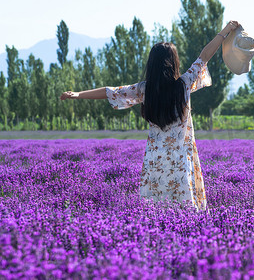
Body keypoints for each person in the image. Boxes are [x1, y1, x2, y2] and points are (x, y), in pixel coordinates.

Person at [60, 20, 241, 212]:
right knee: (184, 209)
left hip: (155, 161)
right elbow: (205, 55)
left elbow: (110, 92)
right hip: (180, 159)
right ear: (174, 62)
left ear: (152, 64)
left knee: (156, 211)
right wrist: (225, 31)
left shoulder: (144, 90)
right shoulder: (184, 84)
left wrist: (79, 94)